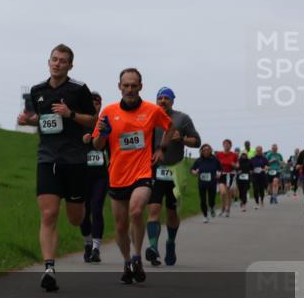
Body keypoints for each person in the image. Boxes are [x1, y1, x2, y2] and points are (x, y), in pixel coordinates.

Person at [17, 45, 96, 291]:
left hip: (74, 159)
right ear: (48, 61)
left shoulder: (78, 89)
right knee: (49, 214)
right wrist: (28, 120)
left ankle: (84, 225)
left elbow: (92, 120)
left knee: (75, 218)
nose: (57, 64)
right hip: (47, 158)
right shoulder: (37, 90)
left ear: (70, 65)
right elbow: (39, 119)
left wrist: (70, 113)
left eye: (63, 61)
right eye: (54, 59)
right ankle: (49, 267)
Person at [92, 68, 174, 284]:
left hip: (142, 172)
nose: (129, 89)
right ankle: (128, 262)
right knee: (119, 226)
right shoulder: (108, 111)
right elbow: (97, 145)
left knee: (136, 210)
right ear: (119, 86)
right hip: (117, 175)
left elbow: (170, 126)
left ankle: (137, 255)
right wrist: (103, 134)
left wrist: (161, 149)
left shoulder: (151, 110)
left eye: (133, 85)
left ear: (140, 87)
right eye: (125, 85)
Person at [145, 87, 200, 267]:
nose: (162, 101)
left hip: (175, 171)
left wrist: (181, 139)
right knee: (153, 209)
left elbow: (197, 141)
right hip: (154, 169)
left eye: (166, 98)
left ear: (172, 101)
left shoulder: (182, 119)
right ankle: (153, 247)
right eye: (160, 98)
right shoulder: (149, 116)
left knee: (171, 212)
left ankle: (170, 243)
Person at [81, 92, 109, 262]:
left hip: (100, 174)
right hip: (82, 174)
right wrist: (80, 140)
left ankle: (96, 248)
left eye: (97, 104)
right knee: (84, 211)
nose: (94, 106)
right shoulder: (78, 124)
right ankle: (87, 243)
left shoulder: (105, 124)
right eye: (90, 103)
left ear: (100, 105)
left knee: (97, 208)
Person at [191, 144, 221, 222]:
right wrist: (194, 172)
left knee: (211, 200)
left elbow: (220, 169)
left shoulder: (215, 159)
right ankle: (205, 216)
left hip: (212, 183)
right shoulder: (198, 160)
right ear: (201, 151)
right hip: (202, 183)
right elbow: (192, 169)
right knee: (203, 200)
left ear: (210, 151)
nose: (206, 151)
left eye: (208, 150)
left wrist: (218, 174)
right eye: (204, 150)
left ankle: (212, 208)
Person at [215, 139, 238, 217]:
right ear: (223, 145)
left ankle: (228, 210)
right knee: (223, 192)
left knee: (228, 193)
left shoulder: (234, 155)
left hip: (230, 175)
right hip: (221, 175)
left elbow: (237, 165)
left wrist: (234, 165)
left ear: (230, 146)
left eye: (228, 144)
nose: (226, 145)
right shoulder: (219, 154)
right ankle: (223, 208)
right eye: (225, 144)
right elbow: (215, 164)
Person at [250, 146, 269, 210]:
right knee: (255, 189)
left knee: (261, 190)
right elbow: (250, 166)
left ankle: (262, 200)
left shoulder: (264, 158)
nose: (258, 152)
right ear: (256, 151)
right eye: (257, 151)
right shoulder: (252, 159)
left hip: (262, 176)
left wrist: (265, 168)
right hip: (254, 176)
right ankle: (256, 202)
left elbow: (267, 166)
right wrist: (251, 170)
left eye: (259, 151)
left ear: (261, 151)